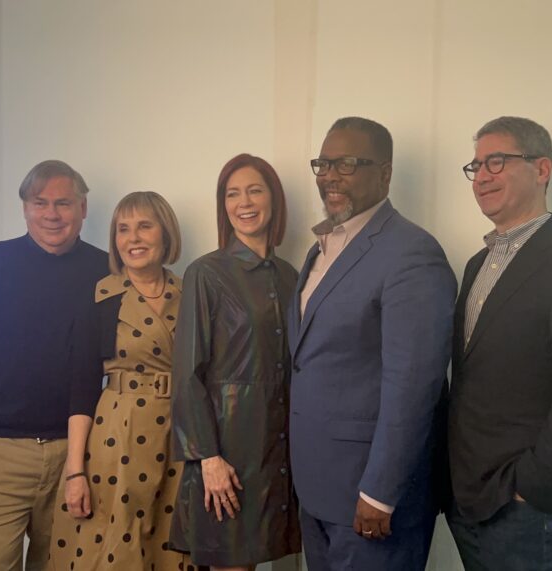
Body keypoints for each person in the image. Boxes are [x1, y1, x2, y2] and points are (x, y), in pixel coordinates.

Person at [447, 116, 552, 571]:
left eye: (498, 161)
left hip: (527, 504)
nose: (482, 175)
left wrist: (532, 485)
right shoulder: (476, 265)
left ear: (542, 169)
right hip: (471, 497)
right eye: (477, 165)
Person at [287, 117, 456, 570]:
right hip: (319, 488)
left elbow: (414, 385)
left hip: (371, 496)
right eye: (323, 164)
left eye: (347, 164)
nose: (329, 176)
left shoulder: (411, 253)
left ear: (385, 173)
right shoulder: (322, 248)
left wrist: (380, 492)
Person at [0, 160, 109, 571]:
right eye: (41, 203)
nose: (52, 214)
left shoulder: (106, 271)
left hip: (78, 455)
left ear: (83, 208)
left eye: (63, 203)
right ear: (25, 208)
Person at [169, 154, 301, 570]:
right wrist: (207, 457)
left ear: (274, 199)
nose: (243, 202)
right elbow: (187, 373)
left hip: (280, 448)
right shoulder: (206, 273)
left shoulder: (291, 275)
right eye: (232, 193)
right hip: (227, 453)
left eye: (254, 190)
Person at [50, 191, 193, 570]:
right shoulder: (101, 298)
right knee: (115, 549)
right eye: (123, 229)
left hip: (179, 439)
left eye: (144, 226)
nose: (133, 239)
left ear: (166, 234)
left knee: (170, 547)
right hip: (117, 438)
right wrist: (75, 470)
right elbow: (81, 390)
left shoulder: (192, 293)